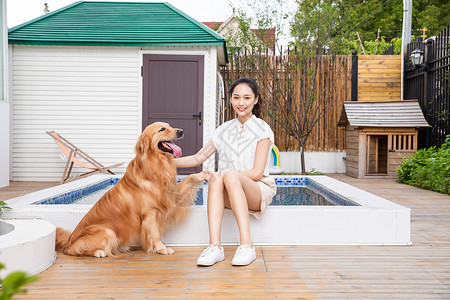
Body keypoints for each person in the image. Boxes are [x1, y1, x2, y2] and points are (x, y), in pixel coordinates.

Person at [174, 77, 277, 267]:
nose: (241, 103)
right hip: (230, 189)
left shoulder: (263, 129)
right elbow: (198, 158)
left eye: (246, 98)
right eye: (236, 98)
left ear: (255, 99)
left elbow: (256, 172)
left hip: (257, 189)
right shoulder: (224, 130)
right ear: (230, 99)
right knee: (216, 177)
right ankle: (215, 247)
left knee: (227, 174)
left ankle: (247, 245)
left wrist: (228, 176)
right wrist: (167, 163)